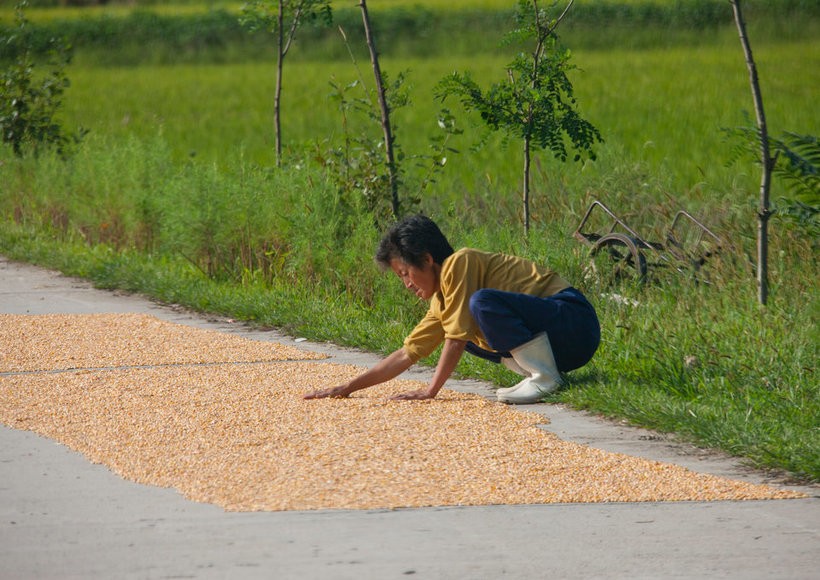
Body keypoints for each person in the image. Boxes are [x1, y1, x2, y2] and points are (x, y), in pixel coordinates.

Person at [303, 214, 600, 404]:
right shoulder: (441, 300)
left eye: (405, 273)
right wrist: (348, 388)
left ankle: (545, 378)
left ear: (427, 259)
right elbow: (407, 353)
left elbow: (456, 340)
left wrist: (430, 391)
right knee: (461, 321)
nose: (406, 284)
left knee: (478, 306)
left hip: (574, 322)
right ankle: (540, 375)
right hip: (559, 341)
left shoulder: (461, 261)